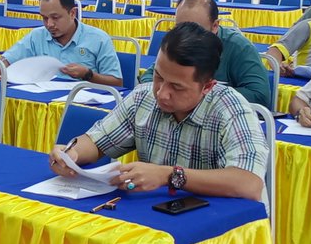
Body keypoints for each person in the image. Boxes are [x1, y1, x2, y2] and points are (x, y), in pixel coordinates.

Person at [50, 22, 266, 201]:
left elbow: (249, 183)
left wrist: (169, 175)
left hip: (219, 226)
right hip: (156, 214)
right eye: (159, 77)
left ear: (207, 86)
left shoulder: (232, 109)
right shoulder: (143, 97)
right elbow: (97, 141)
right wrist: (71, 154)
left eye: (177, 87)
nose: (162, 93)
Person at [139, 0, 270, 107]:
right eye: (180, 28)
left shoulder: (239, 47)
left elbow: (259, 95)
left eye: (196, 30)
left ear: (215, 26)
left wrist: (197, 94)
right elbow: (149, 76)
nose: (186, 36)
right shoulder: (177, 42)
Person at [0, 0, 123, 86]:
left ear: (72, 13)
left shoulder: (98, 39)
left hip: (80, 104)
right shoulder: (36, 36)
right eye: (44, 18)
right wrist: (0, 67)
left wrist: (88, 74)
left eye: (55, 17)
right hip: (43, 104)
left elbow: (117, 83)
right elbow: (7, 59)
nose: (49, 24)